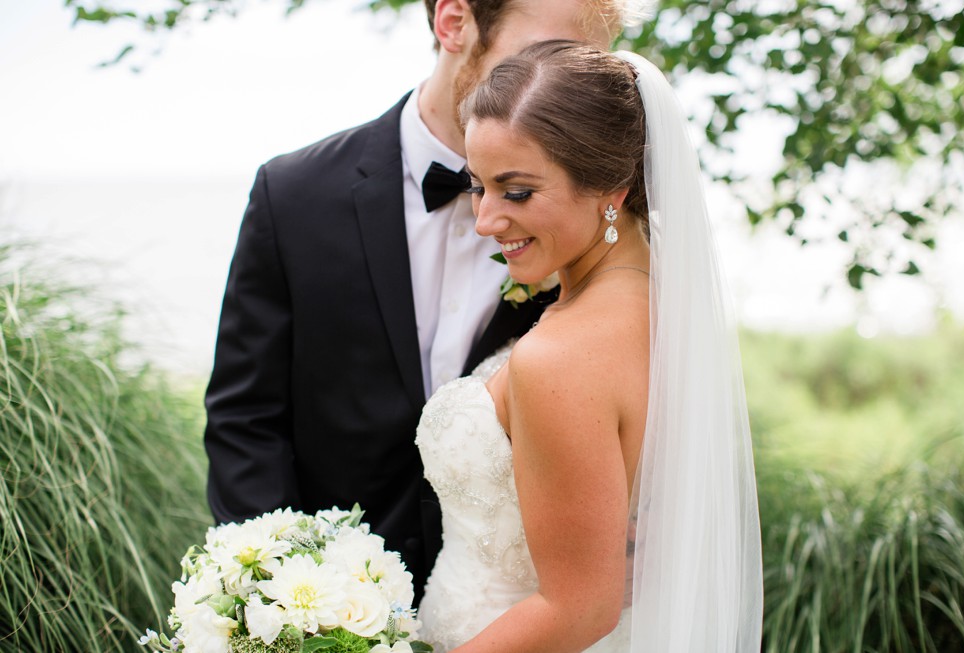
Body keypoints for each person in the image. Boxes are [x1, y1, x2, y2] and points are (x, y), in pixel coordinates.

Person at [203, 0, 620, 603]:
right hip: (329, 606)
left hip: (518, 604)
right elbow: (247, 420)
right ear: (454, 23)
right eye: (548, 55)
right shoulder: (292, 196)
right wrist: (281, 593)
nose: (568, 90)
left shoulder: (591, 216)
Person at [414, 40, 764, 652]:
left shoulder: (563, 356)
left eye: (516, 191)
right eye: (479, 185)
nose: (485, 220)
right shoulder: (664, 302)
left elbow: (578, 609)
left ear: (613, 186)